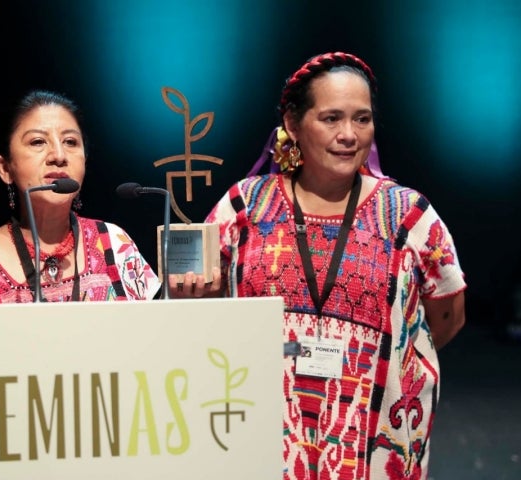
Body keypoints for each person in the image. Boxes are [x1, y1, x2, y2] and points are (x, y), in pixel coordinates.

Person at [170, 52, 466, 479]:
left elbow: (447, 314)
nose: (349, 134)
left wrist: (388, 359)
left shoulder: (408, 214)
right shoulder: (246, 205)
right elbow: (206, 297)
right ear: (292, 124)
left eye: (362, 119)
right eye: (331, 118)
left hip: (372, 437)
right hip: (265, 432)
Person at [0, 89, 160, 304]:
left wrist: (186, 302)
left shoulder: (115, 244)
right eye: (38, 142)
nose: (59, 156)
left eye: (70, 142)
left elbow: (157, 331)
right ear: (5, 168)